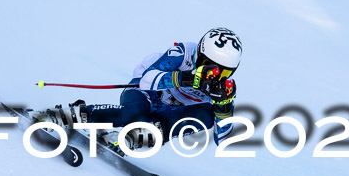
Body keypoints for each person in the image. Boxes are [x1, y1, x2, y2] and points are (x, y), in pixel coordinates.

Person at [38, 27, 242, 150]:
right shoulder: (182, 52)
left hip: (169, 114)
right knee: (133, 114)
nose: (216, 76)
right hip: (145, 94)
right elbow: (147, 80)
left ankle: (132, 138)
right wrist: (187, 78)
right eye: (212, 67)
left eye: (226, 73)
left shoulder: (222, 87)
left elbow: (222, 140)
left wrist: (224, 107)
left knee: (206, 114)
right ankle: (66, 115)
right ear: (200, 54)